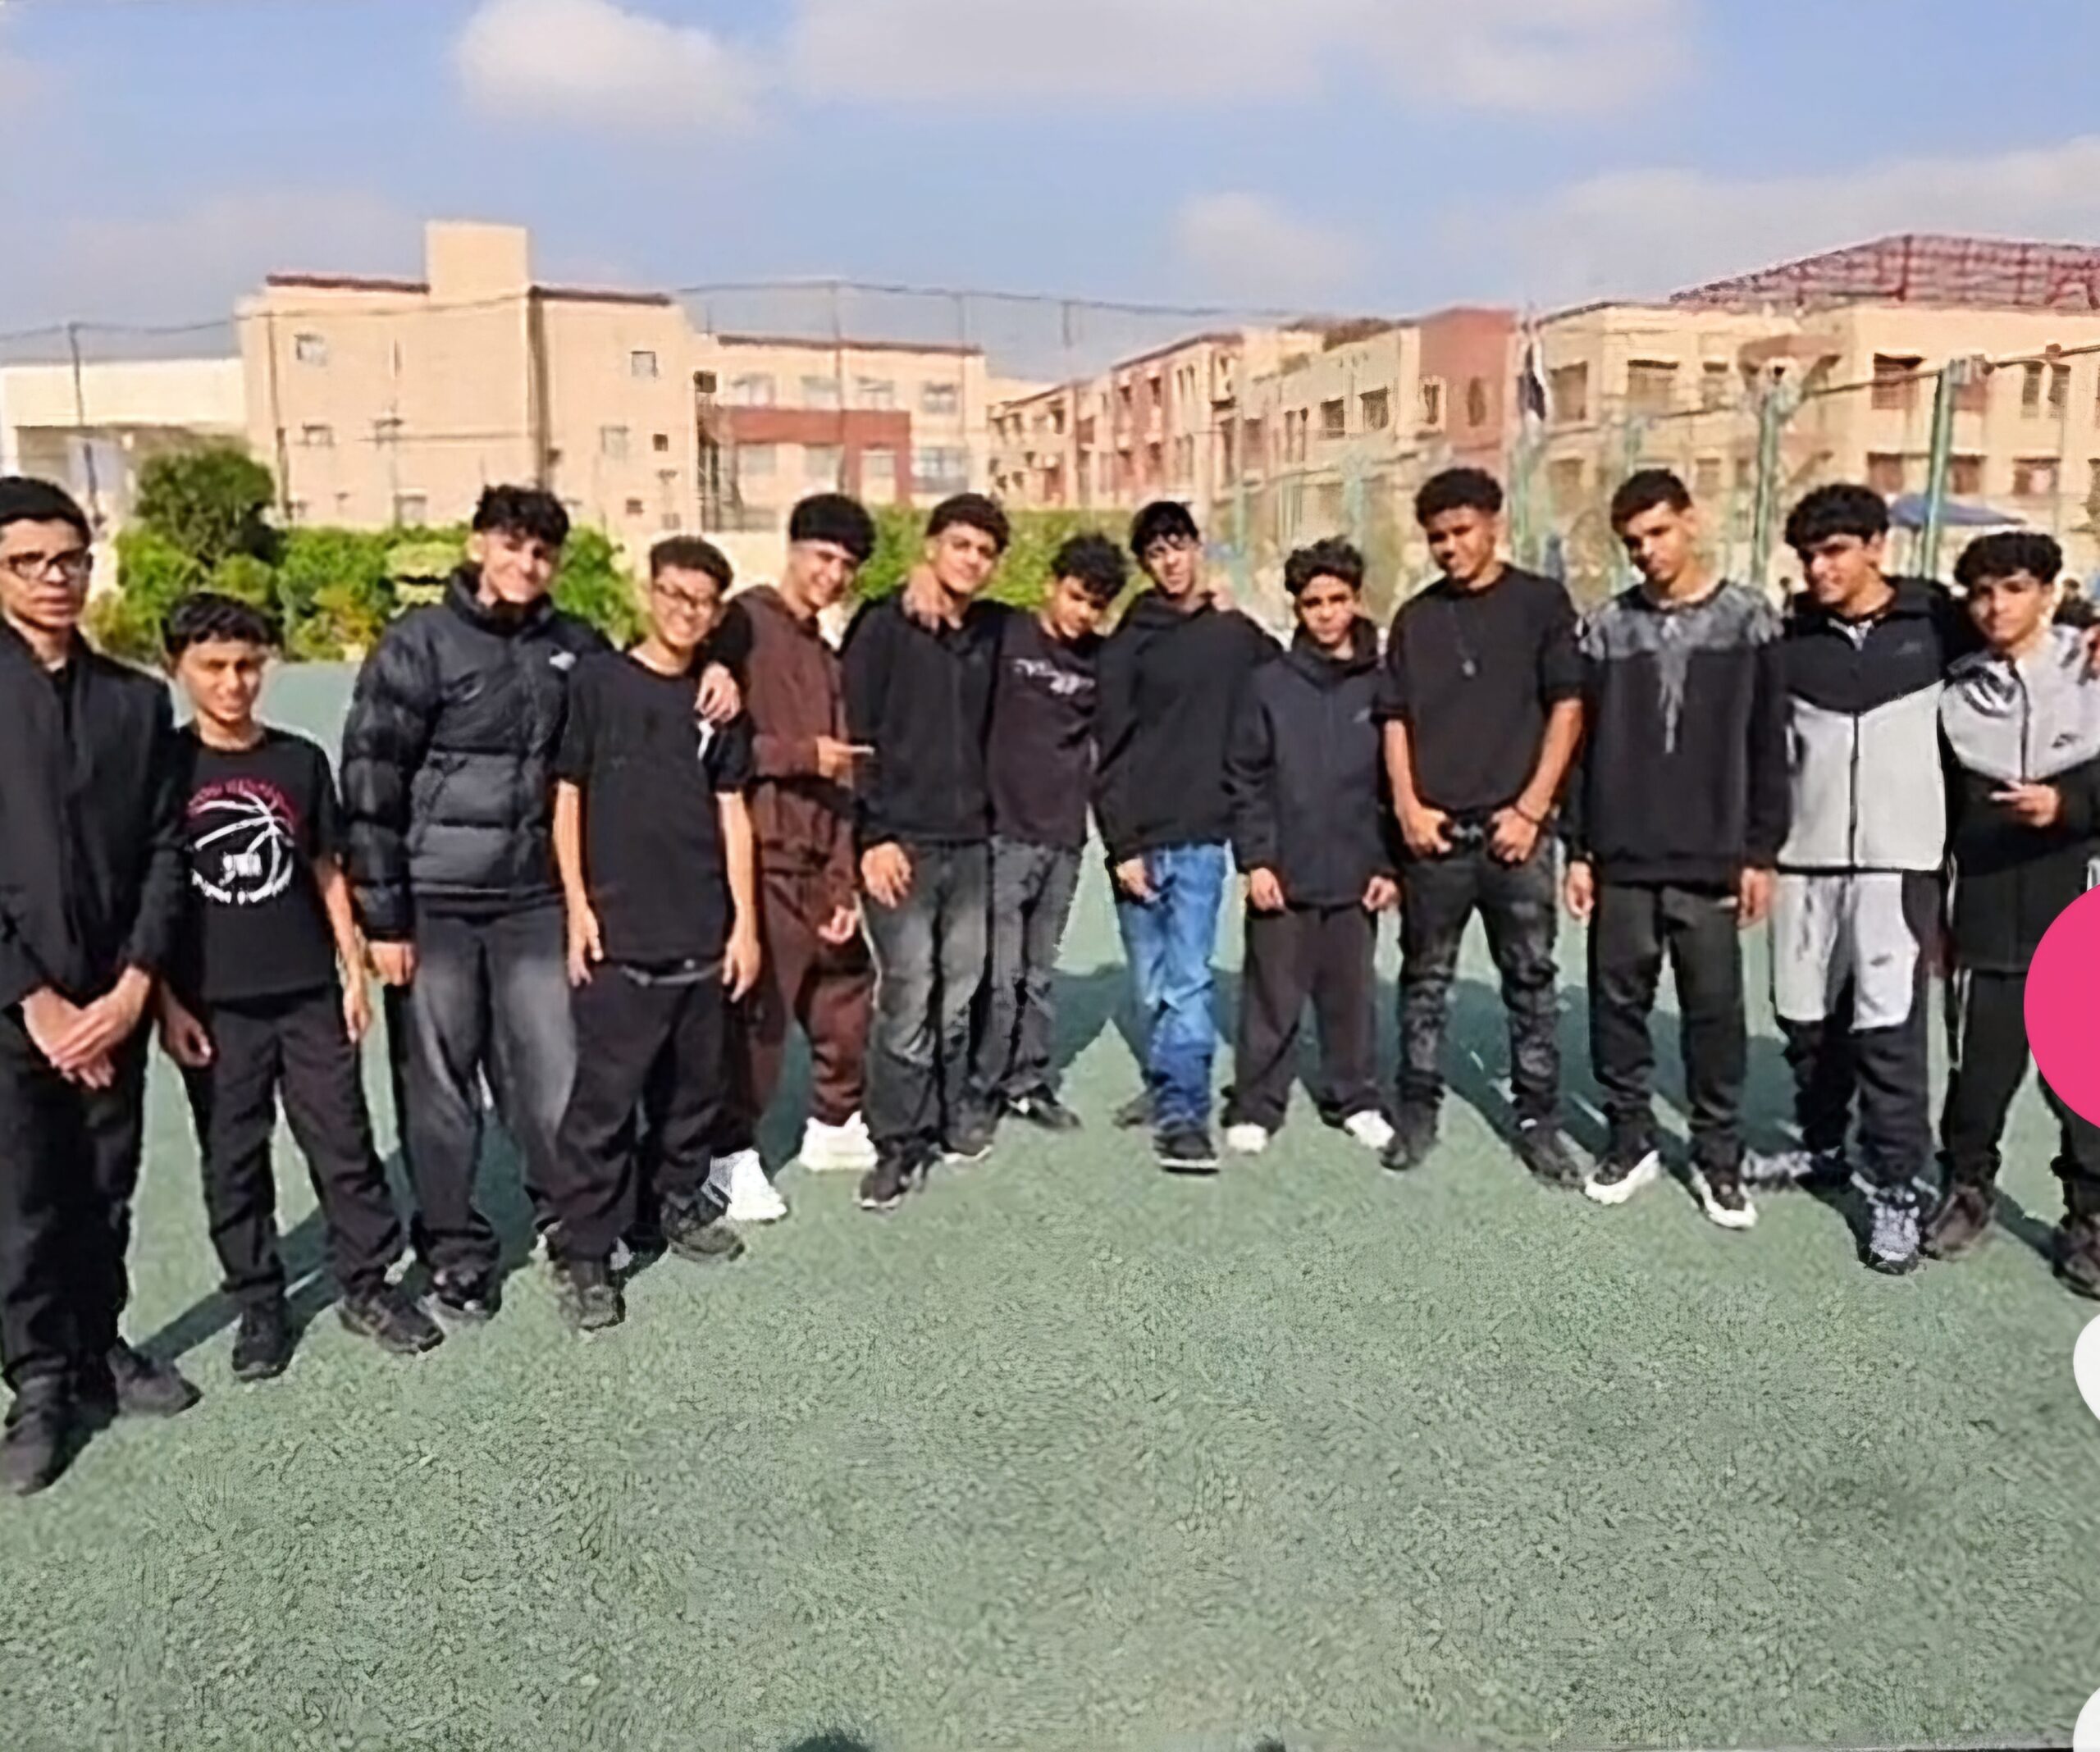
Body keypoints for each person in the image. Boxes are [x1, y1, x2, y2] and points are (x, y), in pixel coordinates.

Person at [340, 485, 738, 1321]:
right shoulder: (418, 643)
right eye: (512, 545)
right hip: (437, 900)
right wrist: (384, 919)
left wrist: (717, 669)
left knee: (558, 1077)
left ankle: (572, 1224)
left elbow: (647, 676)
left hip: (533, 900)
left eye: (542, 552)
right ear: (478, 544)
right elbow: (372, 777)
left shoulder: (574, 646)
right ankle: (456, 1250)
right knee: (442, 1088)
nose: (527, 563)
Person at [155, 594, 442, 1379]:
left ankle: (367, 1284)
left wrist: (351, 971)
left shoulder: (298, 761)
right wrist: (167, 1003)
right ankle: (260, 1302)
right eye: (214, 666)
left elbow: (325, 868)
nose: (233, 682)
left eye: (248, 665)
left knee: (343, 1143)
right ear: (177, 669)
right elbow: (150, 894)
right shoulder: (162, 770)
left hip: (308, 992)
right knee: (234, 1160)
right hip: (213, 1006)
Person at [0, 477, 194, 1497]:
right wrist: (35, 1002)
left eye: (69, 559)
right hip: (15, 1009)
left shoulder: (133, 700)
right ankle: (38, 1381)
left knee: (106, 1187)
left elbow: (166, 848)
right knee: (23, 1198)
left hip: (114, 998)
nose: (54, 579)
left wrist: (132, 988)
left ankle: (98, 1347)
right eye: (27, 562)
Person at [1561, 471, 1787, 1229]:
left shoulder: (1749, 619)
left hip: (1712, 857)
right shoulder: (1605, 627)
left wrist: (1760, 852)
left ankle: (1718, 1157)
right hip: (1622, 857)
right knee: (1616, 1006)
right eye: (1633, 542)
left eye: (1658, 532)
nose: (1647, 552)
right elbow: (1582, 749)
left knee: (1714, 1014)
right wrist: (1580, 850)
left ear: (1691, 521)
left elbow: (1770, 742)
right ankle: (1630, 1140)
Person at [546, 537, 760, 1330]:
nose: (685, 611)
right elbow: (567, 795)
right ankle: (584, 1252)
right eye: (673, 593)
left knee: (691, 1094)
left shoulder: (720, 703)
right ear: (649, 591)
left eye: (701, 602)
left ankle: (670, 1204)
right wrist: (577, 905)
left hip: (702, 934)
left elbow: (734, 814)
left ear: (716, 613)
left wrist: (745, 926)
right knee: (603, 1105)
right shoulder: (597, 682)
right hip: (618, 938)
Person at [1380, 467, 1583, 1184]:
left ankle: (1537, 1120)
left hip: (1516, 836)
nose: (1450, 547)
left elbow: (1568, 707)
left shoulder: (1542, 604)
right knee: (1424, 979)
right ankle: (1417, 1108)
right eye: (1437, 537)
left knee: (1530, 980)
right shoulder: (1415, 618)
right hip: (1435, 836)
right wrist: (1408, 806)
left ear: (1494, 524)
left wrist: (1531, 809)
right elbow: (1395, 718)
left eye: (1461, 531)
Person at [1928, 532, 2100, 1296]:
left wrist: (2068, 805)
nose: (1996, 606)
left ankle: (2089, 1219)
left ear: (2052, 592)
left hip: (2077, 918)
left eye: (2016, 588)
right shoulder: (1955, 692)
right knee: (1978, 1080)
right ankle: (1967, 1193)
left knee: (2083, 1089)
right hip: (1986, 918)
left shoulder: (2093, 671)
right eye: (1982, 592)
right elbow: (1938, 814)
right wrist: (1934, 915)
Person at [709, 494, 879, 1221]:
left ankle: (834, 1124)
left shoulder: (828, 654)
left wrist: (844, 882)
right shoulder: (739, 624)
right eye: (823, 557)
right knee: (760, 1015)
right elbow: (713, 745)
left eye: (846, 566)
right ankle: (727, 1157)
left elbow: (845, 776)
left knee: (847, 990)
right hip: (758, 854)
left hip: (819, 860)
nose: (832, 575)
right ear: (794, 547)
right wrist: (803, 754)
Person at [1093, 500, 1276, 1172]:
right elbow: (1108, 748)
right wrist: (1122, 845)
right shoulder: (1129, 642)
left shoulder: (1233, 634)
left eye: (1178, 546)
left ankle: (1184, 1115)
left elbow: (1288, 674)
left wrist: (1240, 611)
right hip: (1138, 841)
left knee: (1188, 980)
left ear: (1199, 547)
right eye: (1156, 553)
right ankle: (1167, 1079)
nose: (1170, 561)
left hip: (1201, 836)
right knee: (1151, 983)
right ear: (1146, 565)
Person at [841, 493, 1007, 1212]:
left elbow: (1068, 631)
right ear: (932, 545)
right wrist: (872, 834)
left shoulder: (993, 630)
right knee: (909, 992)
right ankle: (896, 1140)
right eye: (960, 544)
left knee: (960, 990)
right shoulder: (883, 624)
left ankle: (946, 1115)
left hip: (970, 842)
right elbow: (854, 734)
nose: (971, 560)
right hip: (900, 843)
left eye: (985, 551)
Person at [1220, 537, 1398, 1157]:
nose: (1326, 613)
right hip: (1285, 872)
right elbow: (1246, 776)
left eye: (1337, 600)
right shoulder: (1267, 684)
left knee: (1352, 996)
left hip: (1356, 872)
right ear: (1296, 608)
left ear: (1356, 600)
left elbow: (1394, 782)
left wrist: (1387, 863)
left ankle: (1356, 1098)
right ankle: (1256, 1104)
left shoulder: (1382, 684)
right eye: (1312, 602)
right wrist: (1257, 860)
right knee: (1271, 996)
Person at [970, 532, 1125, 1134]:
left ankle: (1027, 1082)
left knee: (1039, 974)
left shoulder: (1103, 659)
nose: (1083, 613)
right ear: (1051, 586)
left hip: (1064, 839)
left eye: (1095, 606)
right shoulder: (1004, 631)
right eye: (1075, 597)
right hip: (1004, 835)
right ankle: (981, 1087)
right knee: (999, 975)